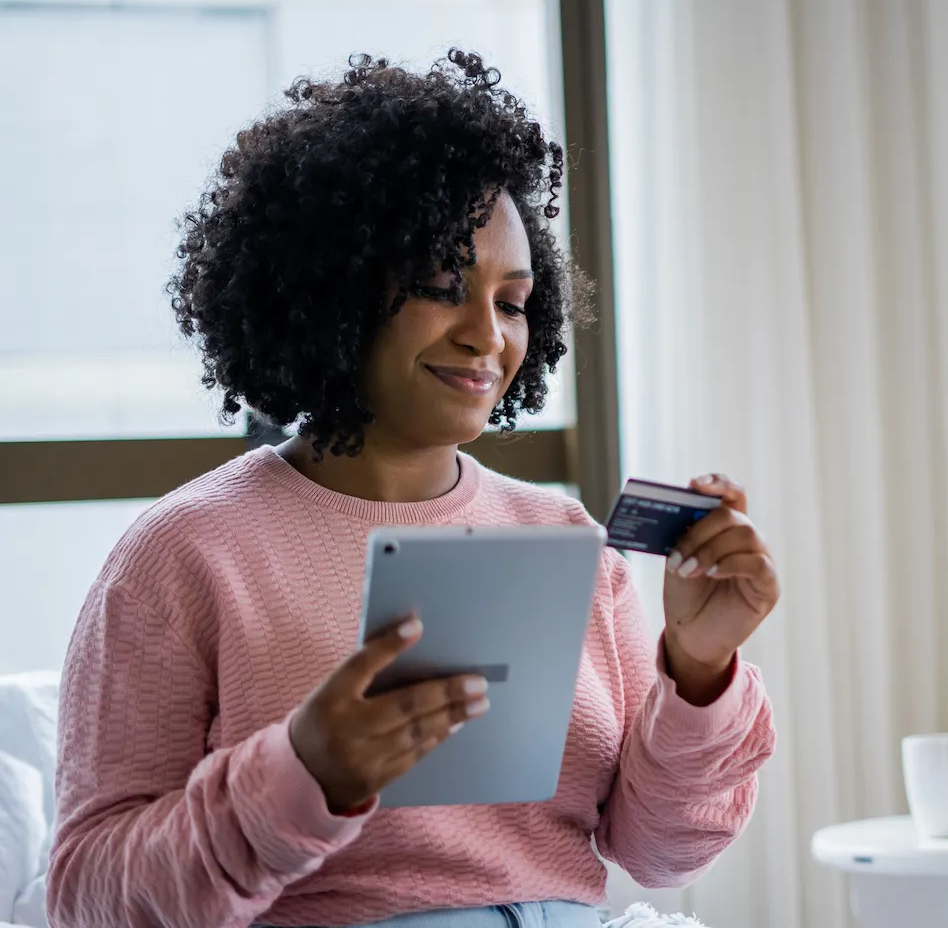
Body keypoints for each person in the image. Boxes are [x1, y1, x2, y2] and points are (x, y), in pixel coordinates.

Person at [47, 51, 777, 928]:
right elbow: (89, 900)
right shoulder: (184, 553)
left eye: (512, 302)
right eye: (441, 288)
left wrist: (697, 674)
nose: (488, 337)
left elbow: (660, 854)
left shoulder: (560, 534)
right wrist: (301, 776)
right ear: (332, 289)